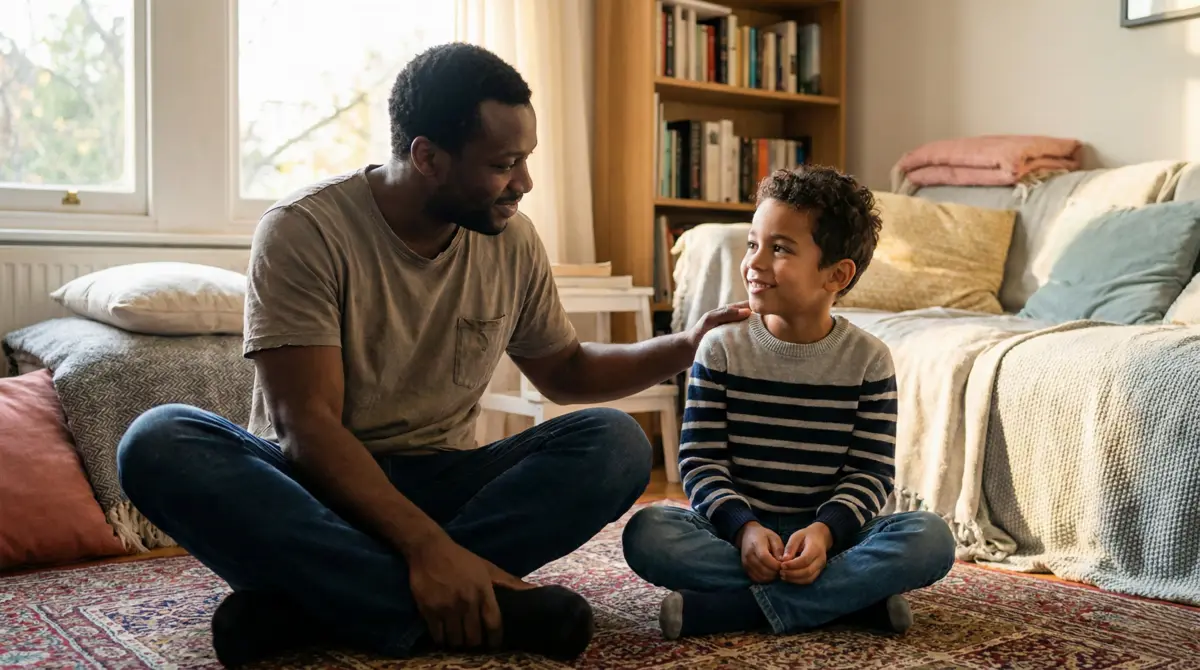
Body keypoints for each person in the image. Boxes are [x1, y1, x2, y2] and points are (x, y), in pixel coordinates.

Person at [115, 42, 748, 667]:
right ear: (428, 157)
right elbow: (307, 427)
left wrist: (686, 346)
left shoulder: (512, 239)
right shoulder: (303, 231)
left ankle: (309, 606)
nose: (523, 184)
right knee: (158, 441)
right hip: (314, 488)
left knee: (616, 444)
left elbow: (565, 371)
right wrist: (427, 550)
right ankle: (475, 602)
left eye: (525, 160)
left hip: (443, 482)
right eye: (505, 164)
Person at [621, 166, 957, 641]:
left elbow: (870, 473)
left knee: (931, 540)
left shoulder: (869, 360)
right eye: (753, 244)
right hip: (736, 532)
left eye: (779, 249)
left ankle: (734, 610)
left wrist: (823, 533)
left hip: (831, 539)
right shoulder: (720, 348)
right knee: (649, 532)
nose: (755, 263)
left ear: (836, 275)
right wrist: (744, 530)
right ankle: (848, 600)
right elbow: (701, 461)